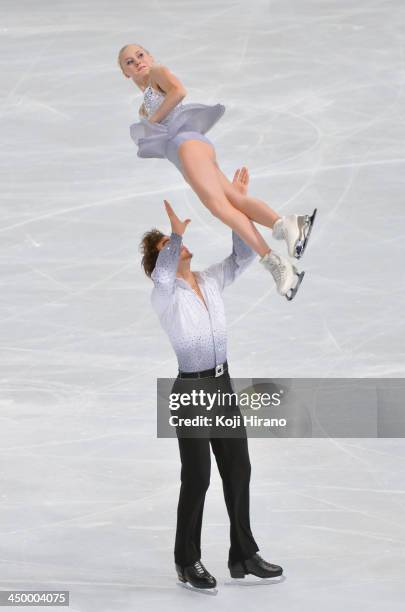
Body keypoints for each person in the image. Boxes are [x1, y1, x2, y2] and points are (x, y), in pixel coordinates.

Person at [140, 167, 283, 590]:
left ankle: (244, 554)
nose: (177, 247)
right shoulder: (164, 293)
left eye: (175, 242)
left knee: (239, 468)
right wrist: (175, 235)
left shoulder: (208, 281)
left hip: (222, 385)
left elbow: (241, 258)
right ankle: (187, 560)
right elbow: (165, 272)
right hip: (191, 390)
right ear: (159, 259)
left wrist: (236, 205)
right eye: (168, 246)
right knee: (198, 476)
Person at [119, 43, 317, 301]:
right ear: (125, 73)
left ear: (150, 56)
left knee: (220, 207)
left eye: (140, 55)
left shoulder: (157, 72)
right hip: (188, 150)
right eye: (129, 62)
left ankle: (277, 263)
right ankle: (290, 225)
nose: (137, 62)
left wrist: (154, 123)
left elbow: (179, 91)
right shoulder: (144, 107)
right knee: (235, 199)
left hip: (187, 146)